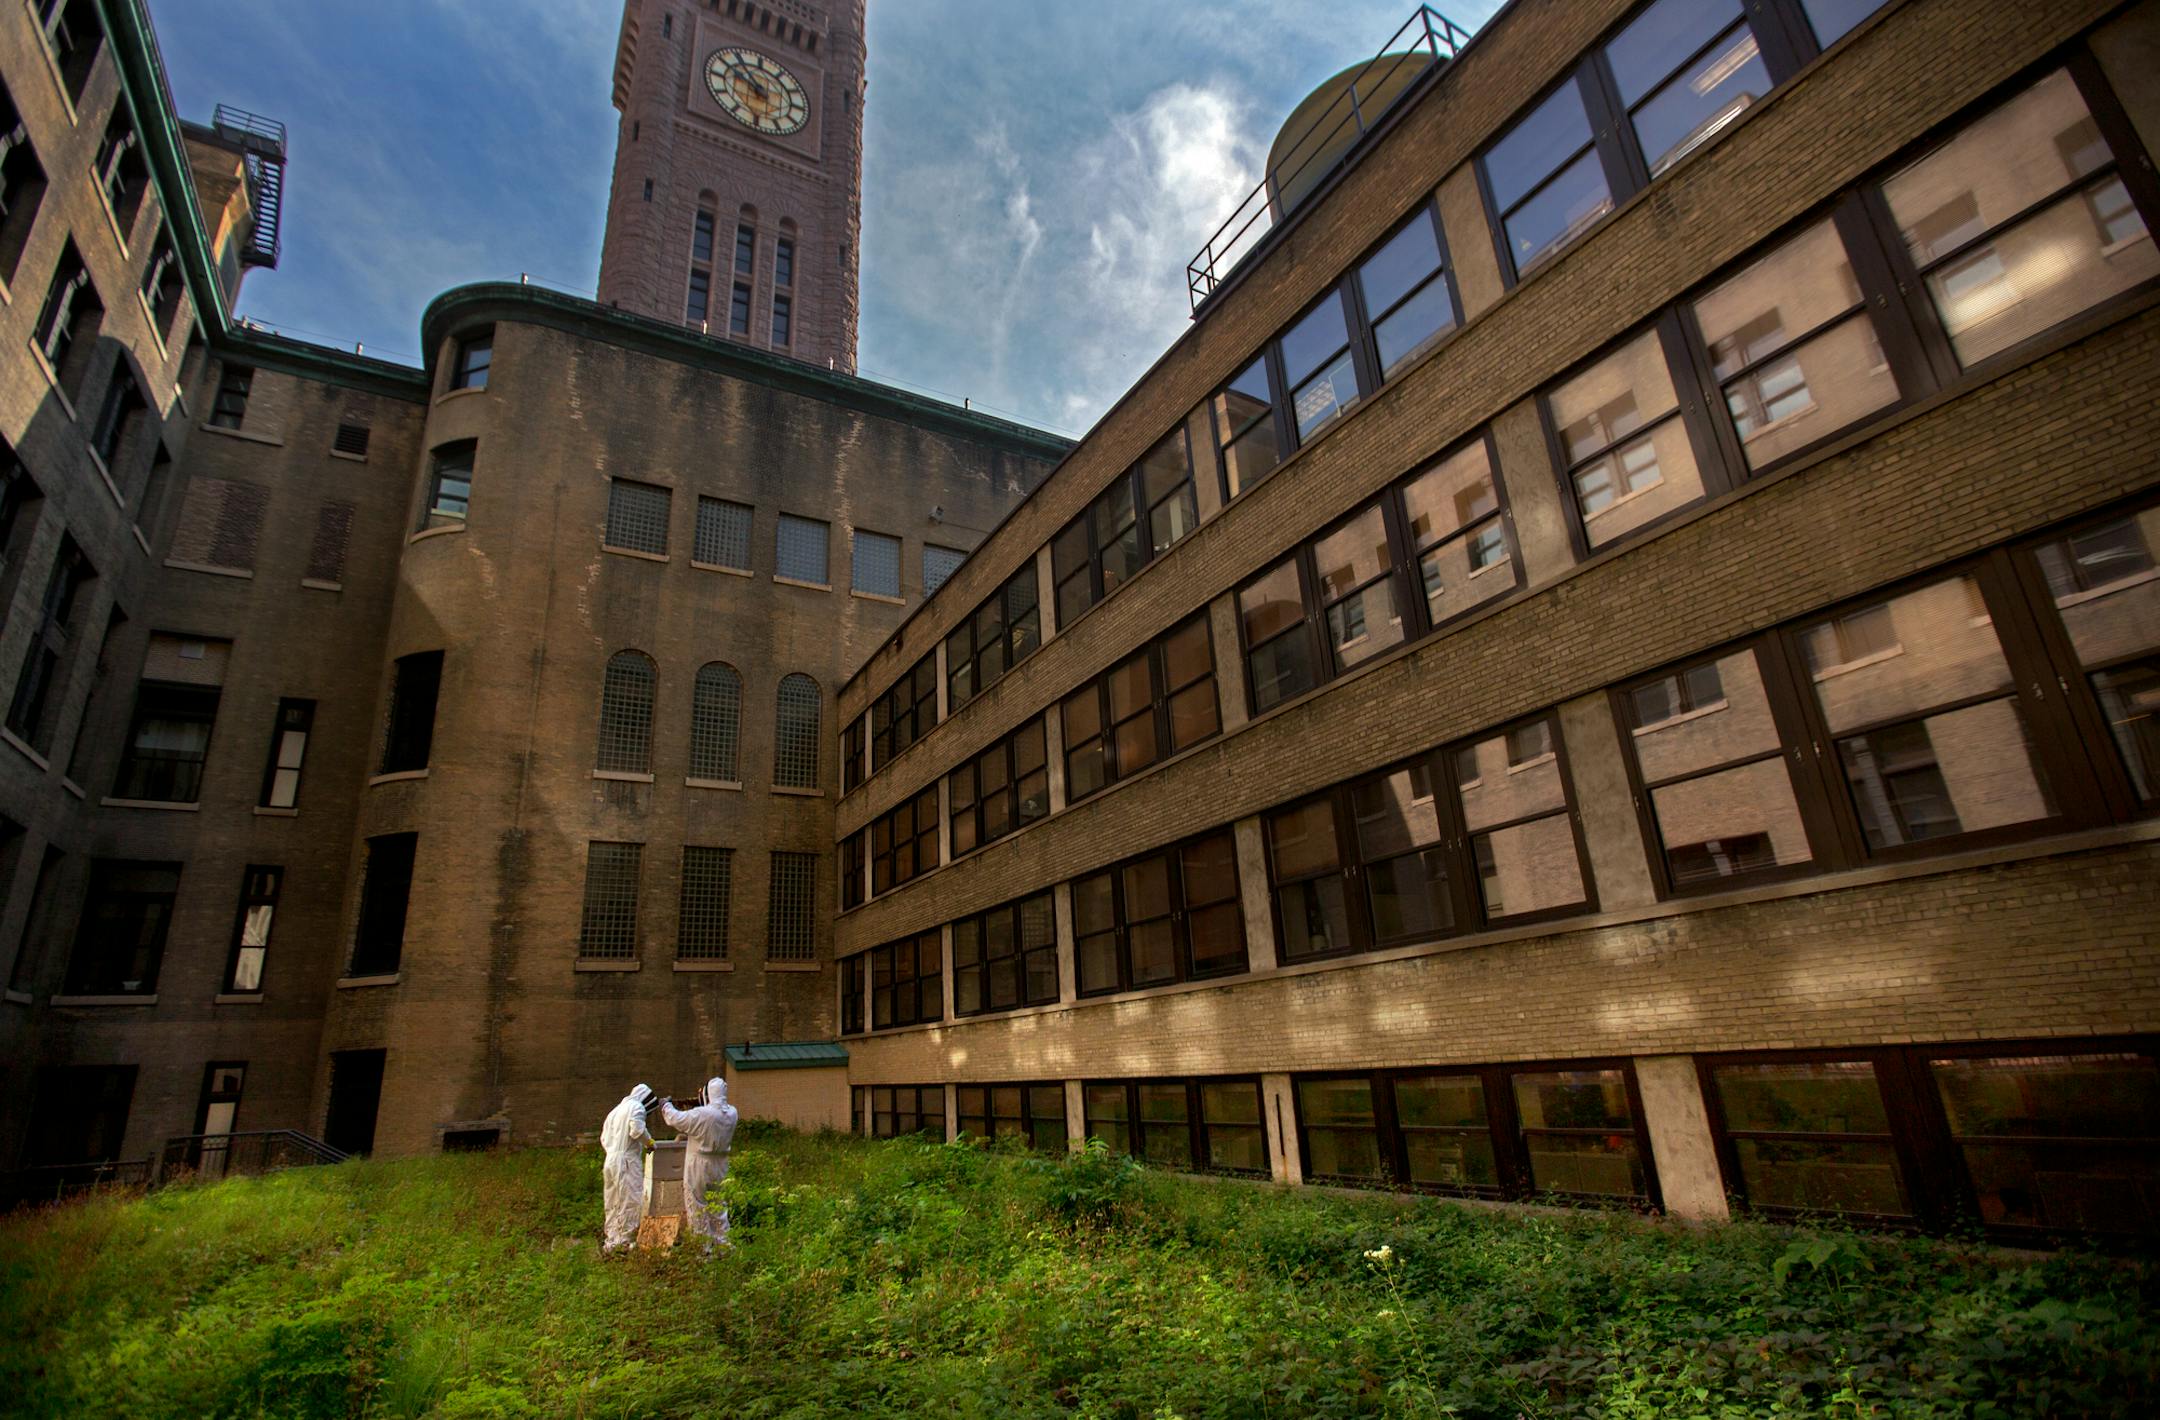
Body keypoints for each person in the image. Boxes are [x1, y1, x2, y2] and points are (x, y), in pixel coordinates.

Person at [659, 1077, 738, 1252]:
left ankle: (704, 1249)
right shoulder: (732, 1113)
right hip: (720, 1164)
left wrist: (666, 1105)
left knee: (697, 1204)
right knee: (718, 1205)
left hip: (699, 1163)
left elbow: (676, 1119)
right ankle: (723, 1245)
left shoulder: (703, 1114)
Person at [599, 1083, 655, 1254]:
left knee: (613, 1200)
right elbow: (637, 1130)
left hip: (610, 1160)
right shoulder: (636, 1107)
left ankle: (612, 1240)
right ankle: (625, 1241)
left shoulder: (615, 1110)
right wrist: (650, 1143)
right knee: (630, 1199)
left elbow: (604, 1137)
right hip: (627, 1160)